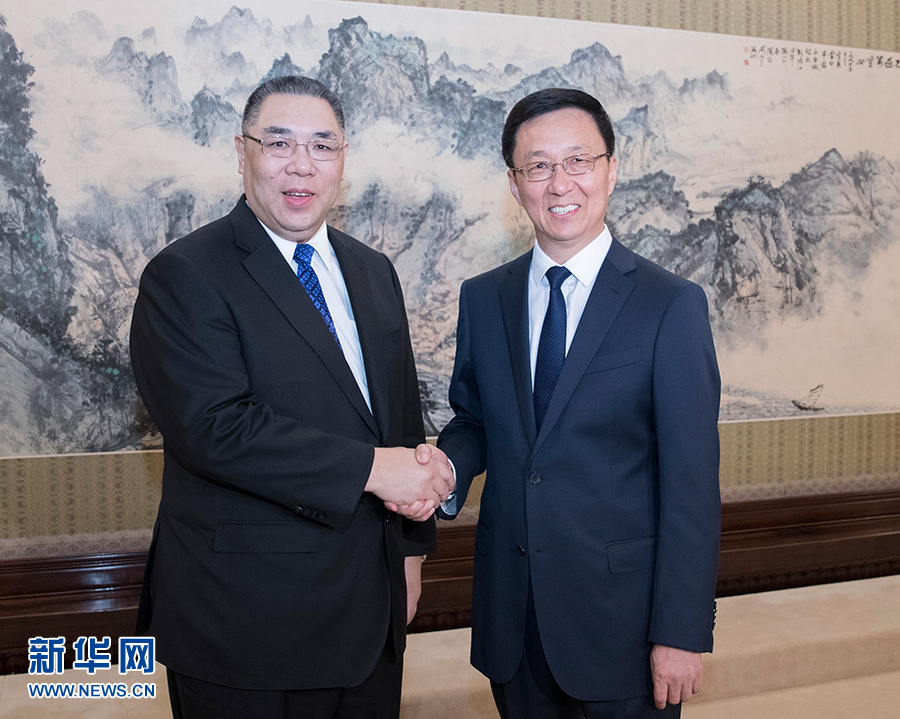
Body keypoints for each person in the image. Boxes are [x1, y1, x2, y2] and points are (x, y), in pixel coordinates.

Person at [129, 75, 452, 719]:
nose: (302, 165)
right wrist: (374, 470)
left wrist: (412, 552)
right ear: (242, 153)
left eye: (322, 146)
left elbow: (397, 417)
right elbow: (215, 428)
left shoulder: (372, 270)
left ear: (342, 159)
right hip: (245, 623)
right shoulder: (185, 273)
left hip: (371, 611)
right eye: (279, 143)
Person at [433, 88, 721, 718]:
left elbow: (692, 485)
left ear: (611, 169)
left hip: (625, 631)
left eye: (578, 161)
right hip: (514, 623)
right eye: (537, 166)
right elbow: (476, 419)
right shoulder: (484, 297)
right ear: (515, 184)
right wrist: (446, 469)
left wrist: (681, 631)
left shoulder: (670, 305)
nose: (559, 183)